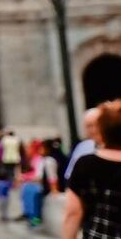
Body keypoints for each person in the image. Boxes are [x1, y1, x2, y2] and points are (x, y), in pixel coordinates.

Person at [65, 100, 121, 239]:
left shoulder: (86, 163)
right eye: (88, 126)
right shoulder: (83, 151)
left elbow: (72, 213)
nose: (91, 130)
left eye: (94, 125)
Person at [65, 107, 102, 184]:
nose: (93, 130)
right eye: (88, 126)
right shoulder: (82, 147)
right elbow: (70, 175)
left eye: (96, 125)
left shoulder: (115, 144)